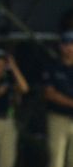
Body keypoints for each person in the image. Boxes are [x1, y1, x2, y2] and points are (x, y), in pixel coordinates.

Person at [0, 48, 29, 167]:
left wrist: (13, 67)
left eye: (2, 63)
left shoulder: (8, 79)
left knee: (7, 160)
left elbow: (24, 88)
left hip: (8, 121)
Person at [43, 31, 73, 167]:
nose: (70, 48)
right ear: (61, 47)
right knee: (56, 160)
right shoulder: (53, 67)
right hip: (58, 118)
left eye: (72, 44)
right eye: (67, 44)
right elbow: (49, 94)